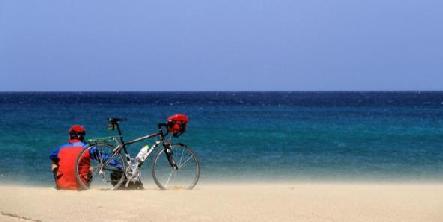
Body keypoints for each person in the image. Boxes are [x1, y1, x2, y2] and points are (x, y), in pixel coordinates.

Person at [49, 125, 91, 190]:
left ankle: (58, 185)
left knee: (54, 164)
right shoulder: (87, 148)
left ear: (70, 136)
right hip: (81, 186)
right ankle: (86, 187)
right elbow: (102, 157)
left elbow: (51, 156)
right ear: (82, 136)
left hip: (63, 186)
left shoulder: (61, 147)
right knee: (90, 168)